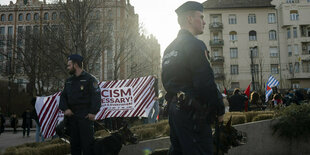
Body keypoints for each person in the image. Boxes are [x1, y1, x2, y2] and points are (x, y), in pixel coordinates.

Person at [161, 2, 225, 154]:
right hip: (193, 112)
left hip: (175, 111)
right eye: (201, 17)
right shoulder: (195, 45)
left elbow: (166, 81)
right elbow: (204, 82)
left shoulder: (169, 48)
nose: (204, 21)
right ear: (189, 18)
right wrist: (219, 109)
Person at [59, 54, 101, 155]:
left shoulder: (90, 79)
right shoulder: (69, 81)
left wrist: (92, 112)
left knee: (87, 147)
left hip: (85, 117)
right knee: (74, 147)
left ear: (76, 65)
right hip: (72, 118)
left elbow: (96, 96)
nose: (67, 67)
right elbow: (63, 97)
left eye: (69, 65)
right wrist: (65, 109)